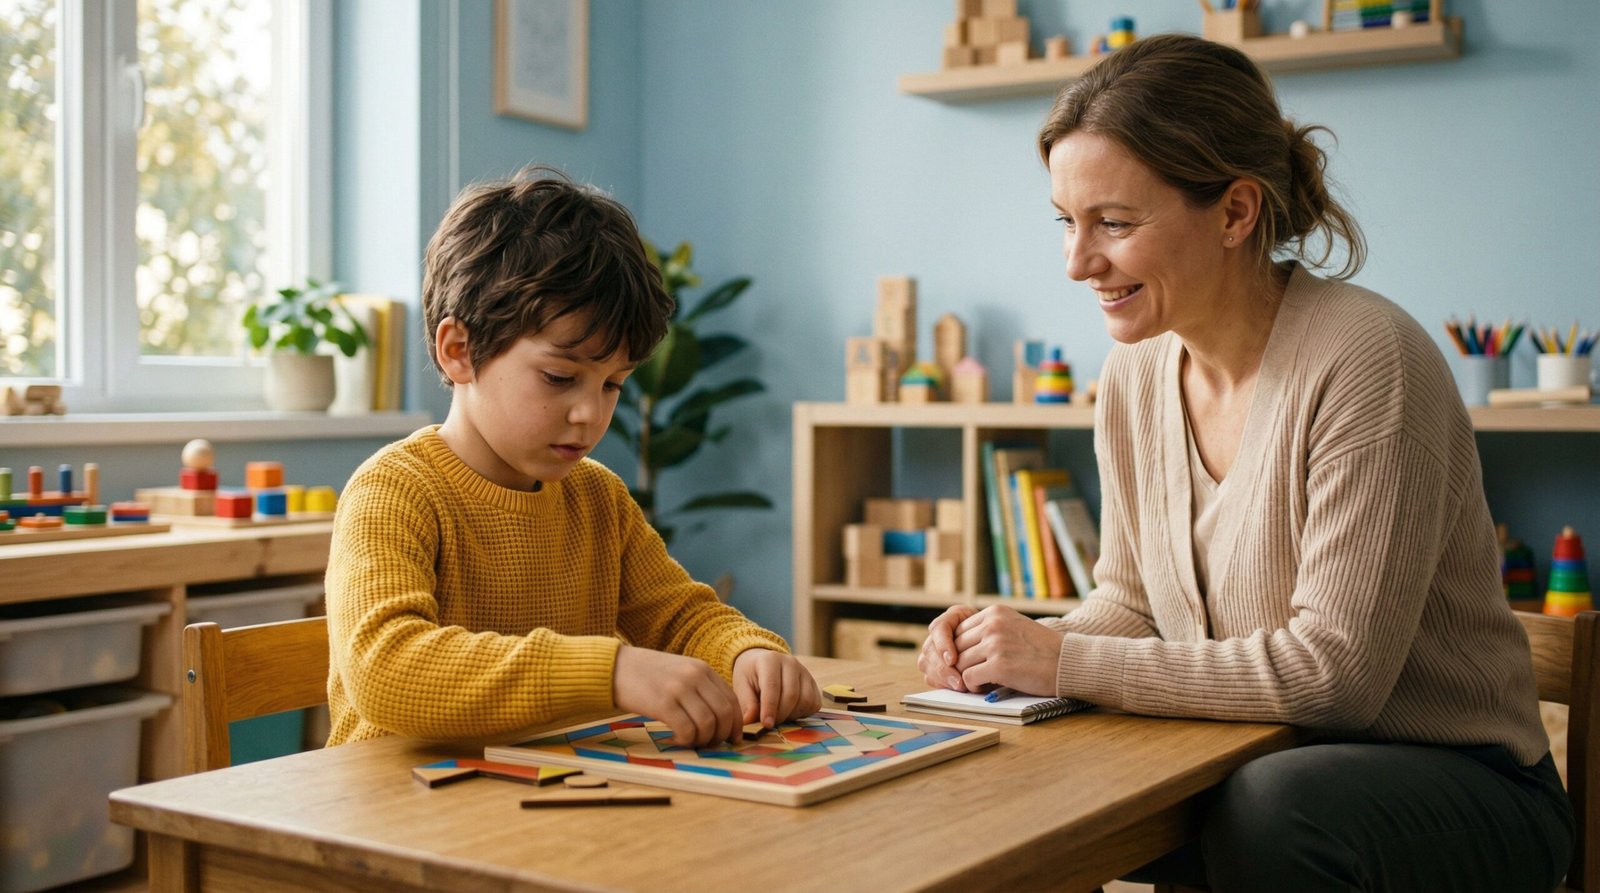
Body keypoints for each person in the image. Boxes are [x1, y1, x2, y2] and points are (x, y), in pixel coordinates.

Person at [919, 34, 1573, 892]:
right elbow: (1132, 601)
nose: (1078, 263)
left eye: (1114, 223)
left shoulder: (1369, 358)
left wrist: (1063, 663)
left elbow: (1336, 677)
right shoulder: (1133, 375)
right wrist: (1014, 650)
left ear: (1235, 212)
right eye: (1066, 223)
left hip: (1461, 783)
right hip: (1260, 760)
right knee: (1043, 790)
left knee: (1266, 807)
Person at [325, 166, 819, 750]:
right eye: (560, 377)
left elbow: (683, 618)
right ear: (459, 351)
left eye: (612, 384)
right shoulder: (394, 490)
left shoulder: (598, 498)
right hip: (397, 811)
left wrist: (748, 653)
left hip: (541, 802)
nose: (591, 413)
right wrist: (611, 670)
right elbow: (386, 669)